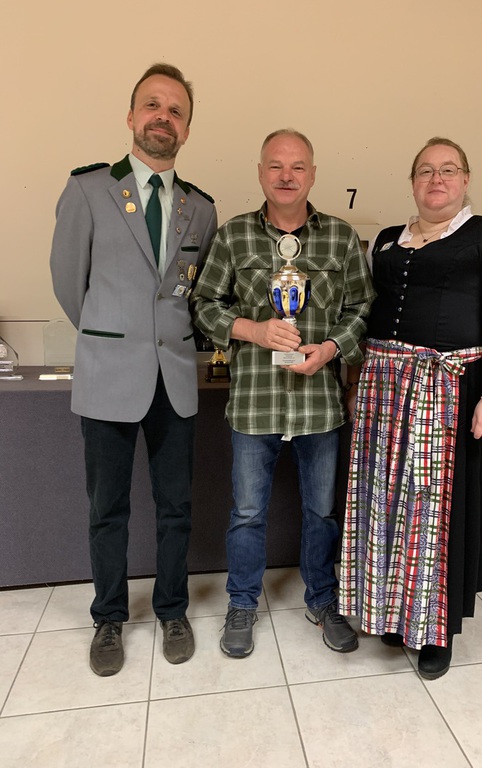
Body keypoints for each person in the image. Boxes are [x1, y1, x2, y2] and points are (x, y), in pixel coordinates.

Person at [339, 137, 482, 680]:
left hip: (446, 389)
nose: (436, 179)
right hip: (382, 389)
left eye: (448, 170)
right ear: (412, 182)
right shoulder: (386, 239)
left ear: (466, 179)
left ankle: (435, 629)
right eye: (425, 170)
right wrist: (356, 384)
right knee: (383, 502)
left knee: (433, 509)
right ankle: (393, 613)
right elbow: (367, 317)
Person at [50, 63, 217, 676]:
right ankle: (109, 618)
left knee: (176, 507)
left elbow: (197, 293)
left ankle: (172, 609)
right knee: (107, 509)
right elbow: (69, 284)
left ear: (186, 129)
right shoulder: (89, 189)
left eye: (176, 111)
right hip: (108, 376)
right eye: (152, 105)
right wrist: (112, 339)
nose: (162, 118)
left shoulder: (201, 209)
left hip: (174, 379)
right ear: (130, 116)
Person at [193, 129, 375, 658]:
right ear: (260, 173)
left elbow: (362, 308)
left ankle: (323, 599)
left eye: (297, 167)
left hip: (319, 404)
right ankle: (242, 603)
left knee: (322, 513)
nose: (287, 176)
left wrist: (332, 348)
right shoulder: (234, 236)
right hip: (256, 403)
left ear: (313, 174)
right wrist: (253, 329)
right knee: (248, 513)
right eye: (276, 166)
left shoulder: (340, 237)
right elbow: (203, 305)